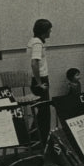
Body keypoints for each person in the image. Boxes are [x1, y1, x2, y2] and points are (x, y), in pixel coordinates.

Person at [28, 18, 53, 147]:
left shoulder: (34, 41)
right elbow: (34, 63)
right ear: (44, 31)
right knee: (44, 113)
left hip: (39, 79)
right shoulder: (37, 43)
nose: (50, 32)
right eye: (49, 30)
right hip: (40, 79)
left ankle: (35, 139)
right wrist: (39, 83)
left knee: (41, 112)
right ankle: (42, 141)